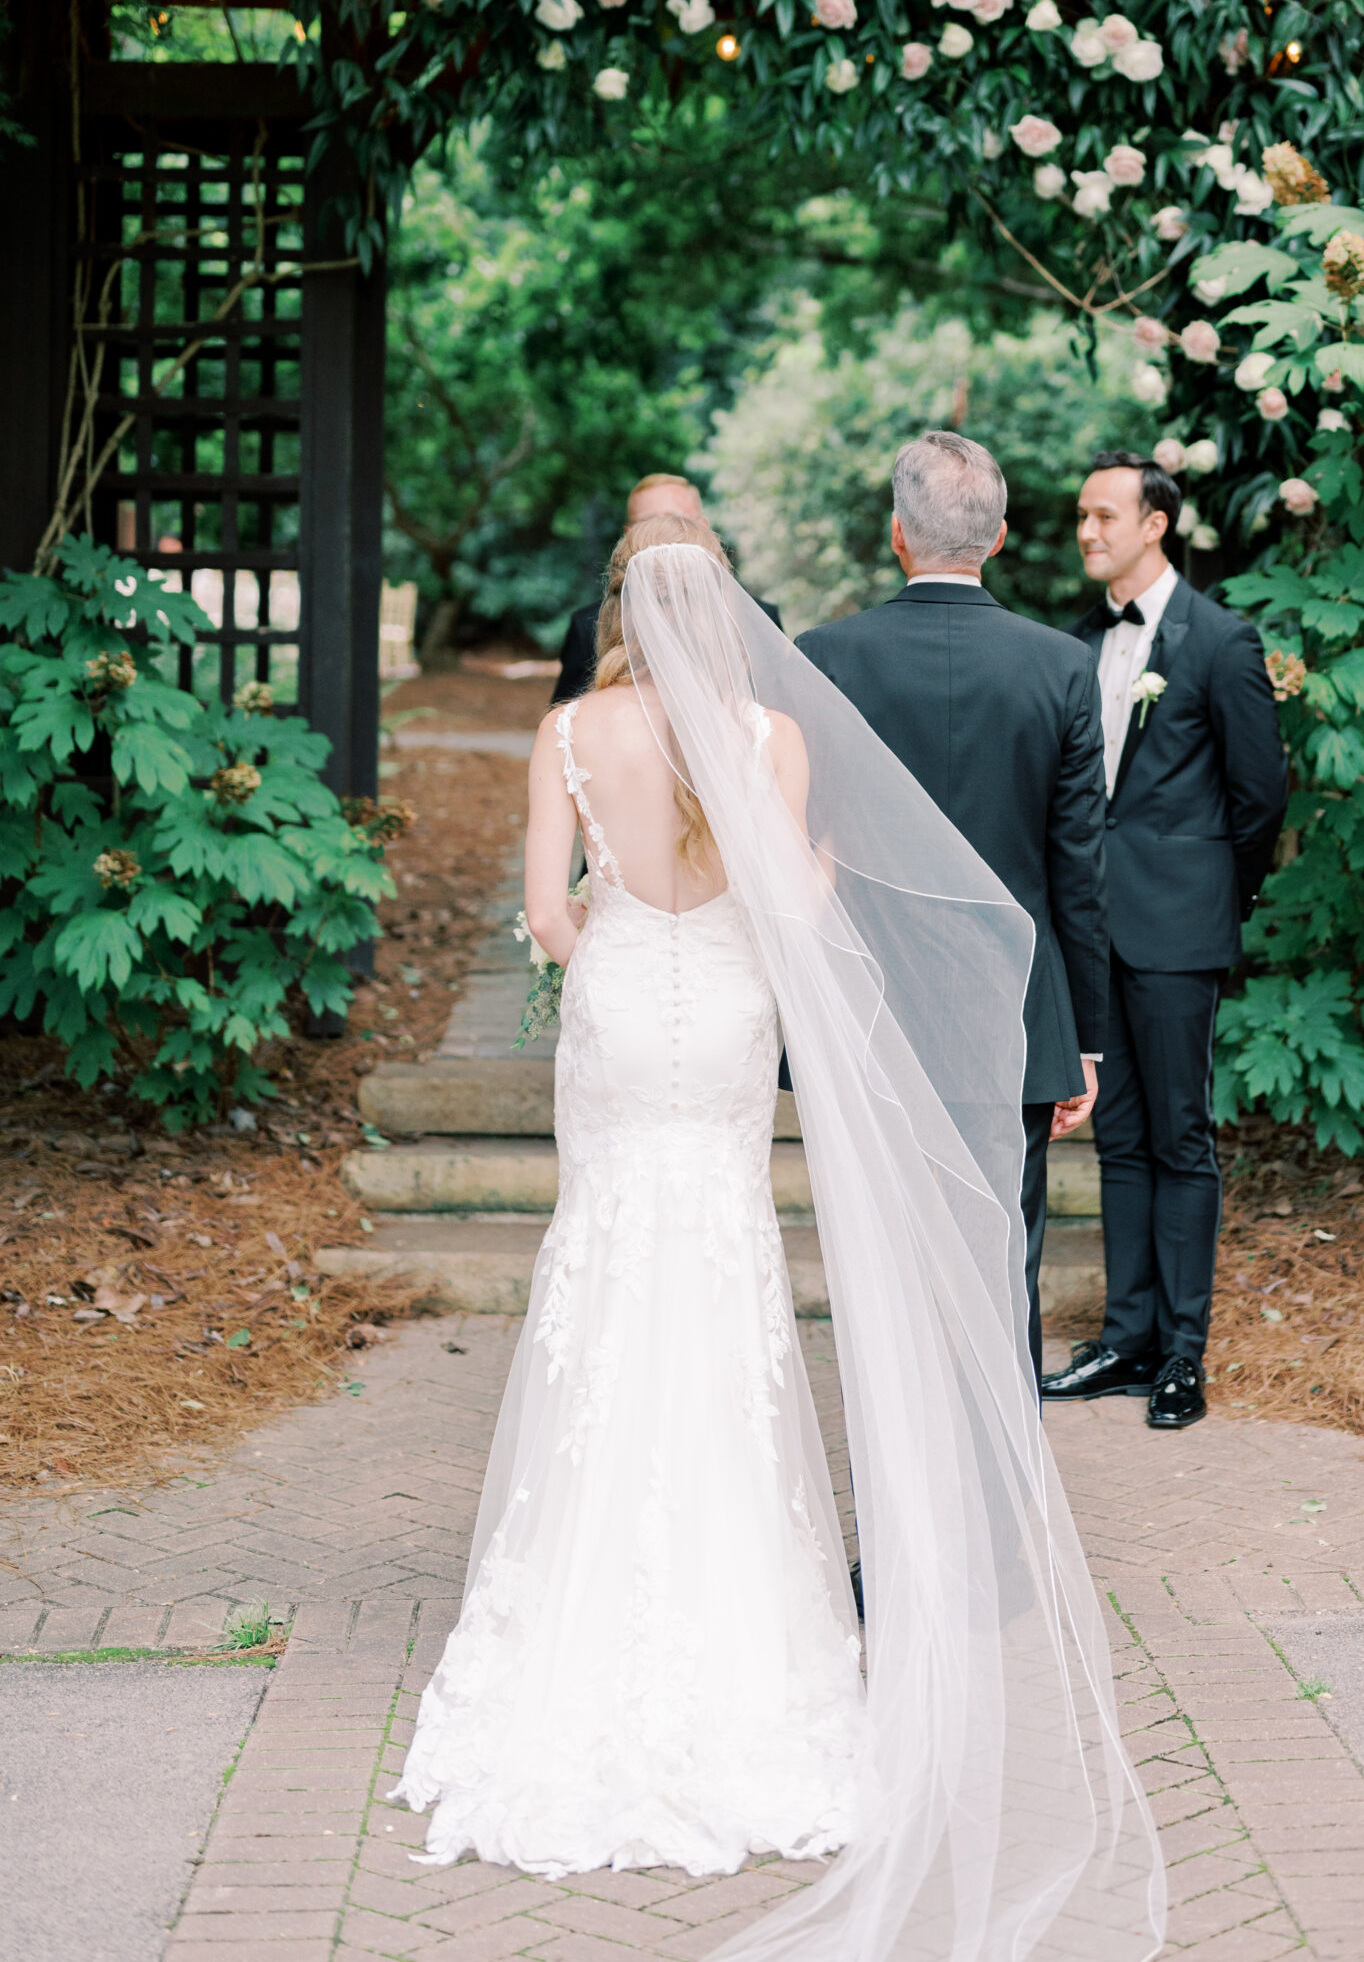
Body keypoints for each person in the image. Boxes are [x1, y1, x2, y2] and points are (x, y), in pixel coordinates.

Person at [394, 516, 1165, 1957]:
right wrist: (759, 905)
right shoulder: (768, 736)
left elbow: (544, 918)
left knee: (607, 1252)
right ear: (730, 617)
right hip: (731, 1015)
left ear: (623, 608)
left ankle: (584, 1587)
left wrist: (630, 944)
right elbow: (799, 905)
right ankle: (740, 1611)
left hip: (622, 1008)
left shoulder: (569, 729)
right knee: (724, 1256)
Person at [795, 431, 1109, 1389]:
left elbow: (799, 850)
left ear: (897, 534)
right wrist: (1083, 1040)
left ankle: (902, 1533)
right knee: (1000, 1257)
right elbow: (1077, 875)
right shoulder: (1058, 667)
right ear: (1000, 538)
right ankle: (1007, 1528)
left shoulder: (824, 660)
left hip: (871, 1012)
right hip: (1007, 1016)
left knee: (885, 1268)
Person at [1040, 451, 1288, 1431]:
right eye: (1078, 518)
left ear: (1155, 523)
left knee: (1181, 1140)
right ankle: (1123, 1337)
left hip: (1178, 930)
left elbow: (1259, 795)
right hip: (1090, 932)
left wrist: (1212, 898)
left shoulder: (1219, 641)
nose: (1086, 532)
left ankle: (1181, 1356)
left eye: (1103, 516)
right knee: (1118, 1139)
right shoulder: (1074, 645)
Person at [550, 474, 779, 700]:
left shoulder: (762, 618)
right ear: (628, 534)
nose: (662, 533)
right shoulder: (588, 625)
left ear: (704, 527)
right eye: (648, 522)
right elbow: (571, 721)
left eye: (675, 520)